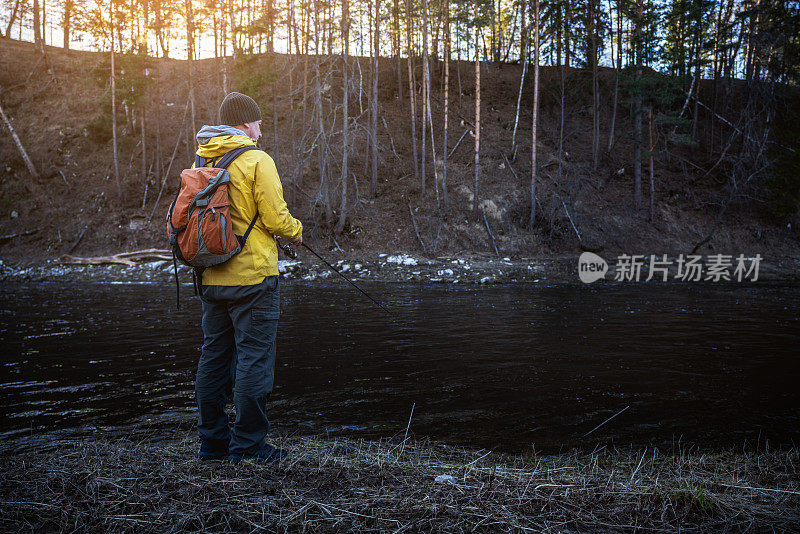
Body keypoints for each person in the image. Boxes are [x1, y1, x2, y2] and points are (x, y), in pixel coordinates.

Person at [193, 92, 302, 464]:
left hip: (211, 277)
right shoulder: (257, 159)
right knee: (254, 361)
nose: (260, 127)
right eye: (257, 121)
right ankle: (249, 446)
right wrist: (297, 231)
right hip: (254, 278)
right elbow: (275, 218)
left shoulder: (204, 157)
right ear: (244, 123)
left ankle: (213, 445)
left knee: (213, 360)